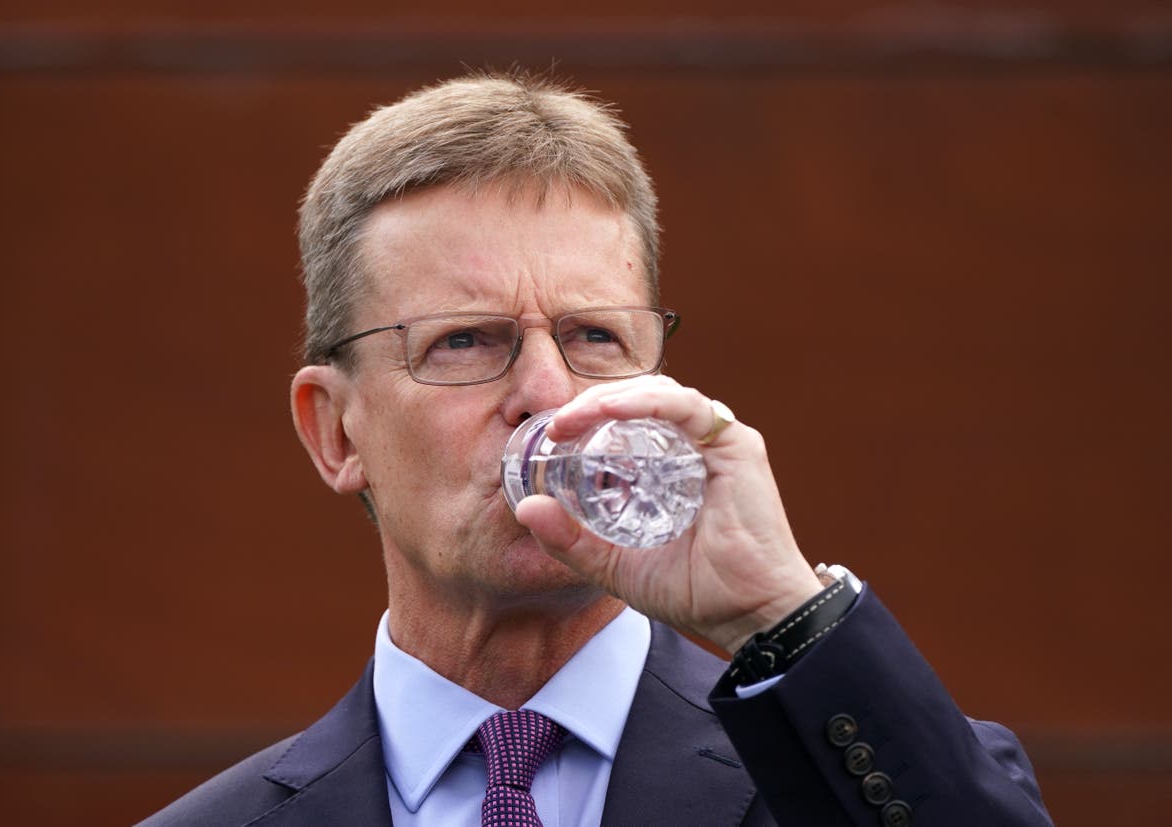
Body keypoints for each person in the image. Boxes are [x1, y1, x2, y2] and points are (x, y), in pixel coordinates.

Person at [140, 72, 1052, 827]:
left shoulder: (850, 773)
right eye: (466, 340)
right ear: (336, 431)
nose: (549, 393)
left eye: (593, 338)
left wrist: (782, 613)